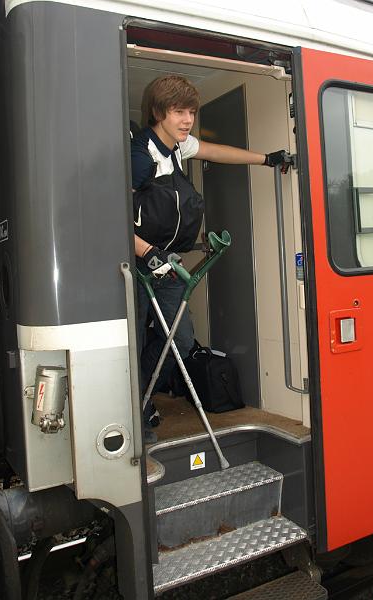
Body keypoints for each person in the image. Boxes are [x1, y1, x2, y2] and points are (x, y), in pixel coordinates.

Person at [131, 75, 289, 443]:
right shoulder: (141, 155)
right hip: (136, 261)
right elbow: (111, 211)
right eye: (178, 112)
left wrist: (266, 159)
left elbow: (216, 152)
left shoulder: (177, 147)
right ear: (158, 112)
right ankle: (132, 413)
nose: (187, 120)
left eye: (191, 112)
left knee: (180, 340)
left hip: (167, 263)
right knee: (132, 339)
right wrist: (146, 253)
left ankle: (141, 396)